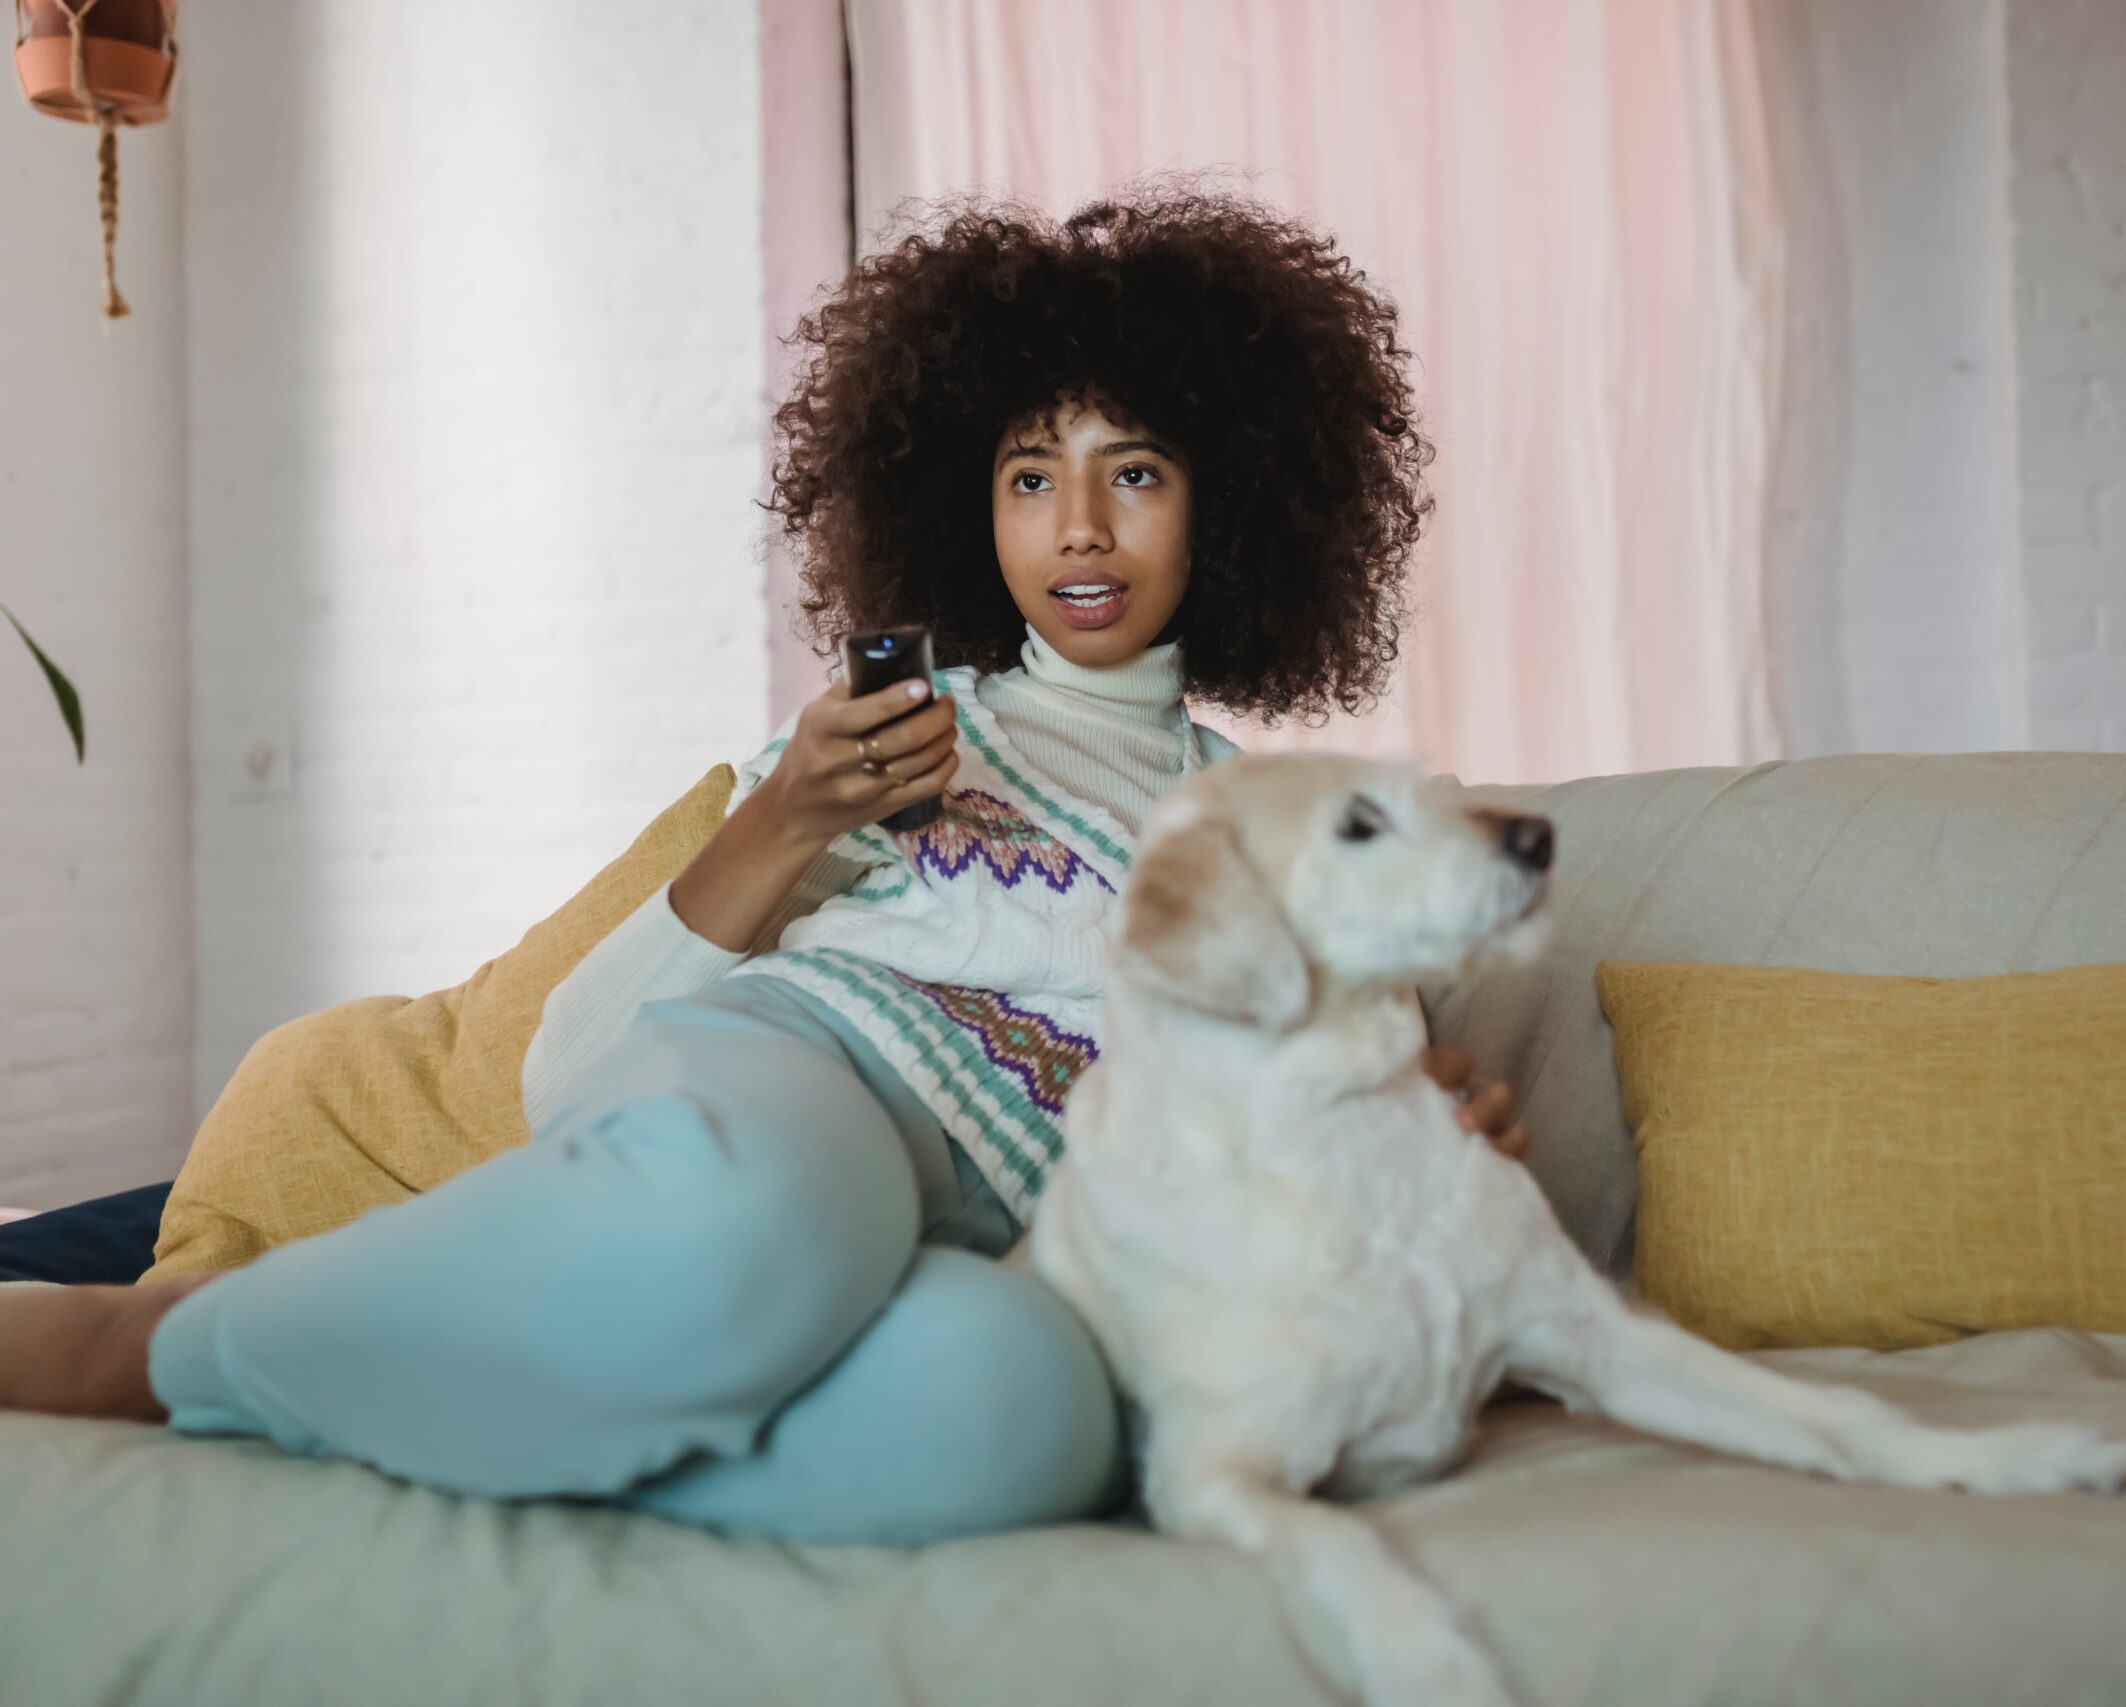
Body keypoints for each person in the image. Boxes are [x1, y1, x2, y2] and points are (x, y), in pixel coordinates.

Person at [0, 185, 1527, 1545]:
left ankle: (395, 1405)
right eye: (1024, 476)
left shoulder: (1307, 843)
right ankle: (153, 1346)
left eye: (1134, 474)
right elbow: (573, 1080)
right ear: (961, 504)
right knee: (773, 1223)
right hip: (813, 1091)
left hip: (1013, 1248)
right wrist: (788, 818)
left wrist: (1417, 1146)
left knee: (1024, 1421)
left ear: (1233, 502)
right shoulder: (874, 743)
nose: (1077, 526)